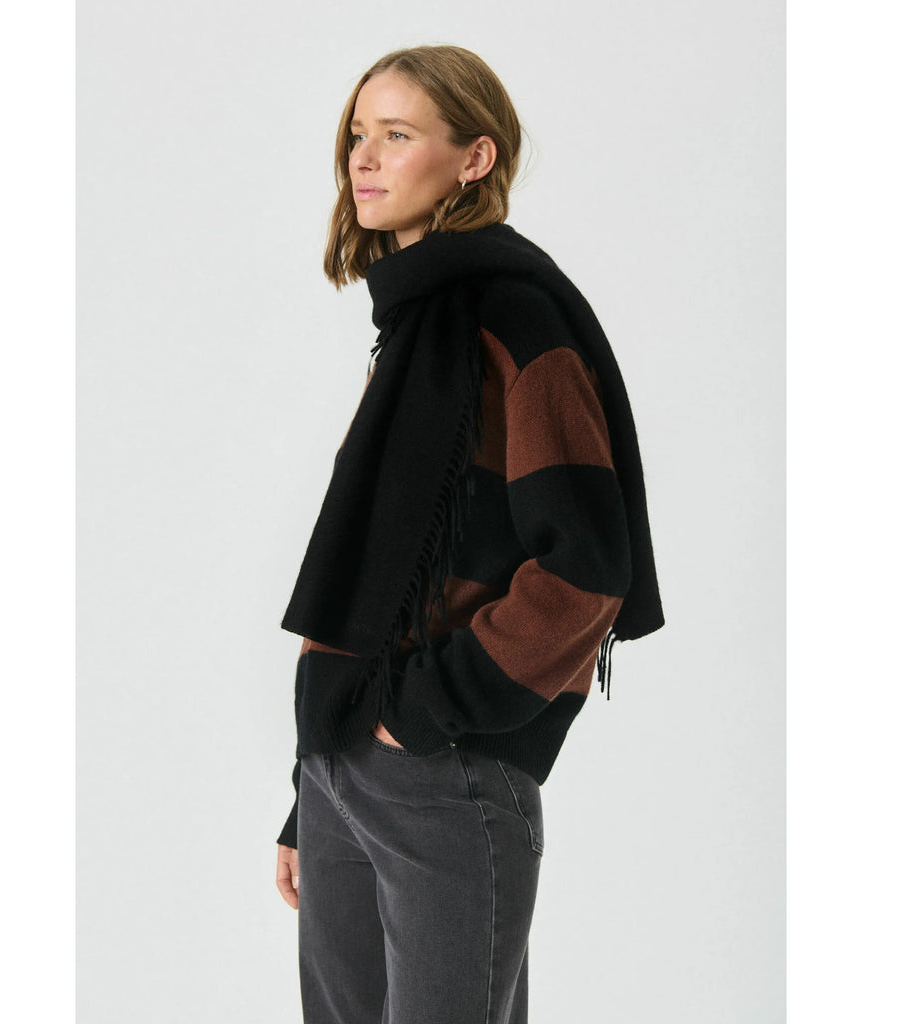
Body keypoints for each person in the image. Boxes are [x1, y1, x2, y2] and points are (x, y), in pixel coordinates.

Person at [273, 43, 664, 1023]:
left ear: (473, 158)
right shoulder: (413, 329)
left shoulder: (518, 320)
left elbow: (586, 567)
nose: (364, 158)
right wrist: (310, 788)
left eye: (397, 135)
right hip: (339, 767)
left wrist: (425, 712)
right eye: (357, 135)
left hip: (440, 769)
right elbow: (376, 568)